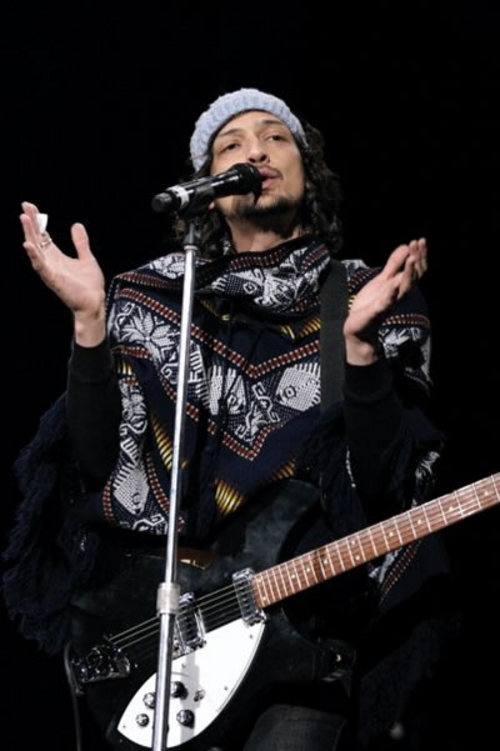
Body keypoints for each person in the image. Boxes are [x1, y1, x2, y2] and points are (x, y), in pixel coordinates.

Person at [6, 88, 449, 750]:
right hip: (155, 630)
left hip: (301, 638)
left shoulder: (364, 292)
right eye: (231, 145)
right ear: (207, 188)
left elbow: (382, 485)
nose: (255, 153)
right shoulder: (155, 297)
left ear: (308, 170)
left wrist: (359, 350)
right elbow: (99, 465)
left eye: (275, 138)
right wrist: (90, 323)